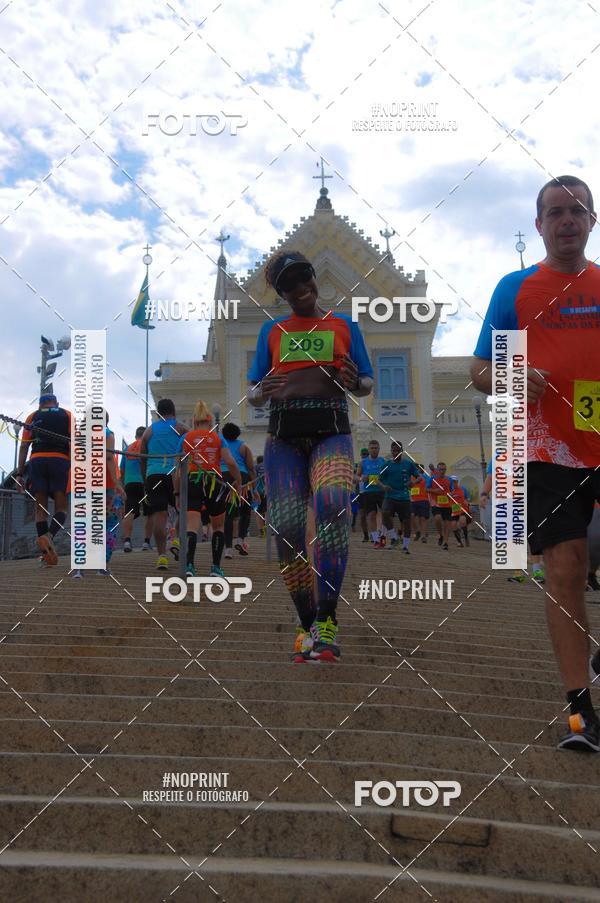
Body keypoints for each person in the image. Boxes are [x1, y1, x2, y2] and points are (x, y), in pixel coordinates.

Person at [471, 174, 600, 752]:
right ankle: (580, 711)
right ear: (539, 224)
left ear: (591, 221)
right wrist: (511, 375)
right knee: (565, 568)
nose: (567, 220)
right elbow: (479, 370)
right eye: (555, 212)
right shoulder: (516, 290)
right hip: (547, 447)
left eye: (577, 210)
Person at [247, 250, 373, 662]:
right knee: (286, 527)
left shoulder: (345, 325)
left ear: (314, 277)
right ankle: (306, 623)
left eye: (305, 278)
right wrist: (260, 392)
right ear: (281, 293)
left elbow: (366, 382)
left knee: (334, 504)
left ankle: (327, 618)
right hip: (283, 436)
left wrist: (354, 381)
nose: (301, 289)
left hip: (331, 431)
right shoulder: (272, 331)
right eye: (289, 285)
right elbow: (253, 391)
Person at [174, 400, 241, 578]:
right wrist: (239, 481)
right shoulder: (218, 438)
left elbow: (178, 470)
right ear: (210, 420)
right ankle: (215, 568)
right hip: (215, 482)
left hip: (192, 481)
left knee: (191, 526)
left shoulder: (185, 438)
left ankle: (189, 566)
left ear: (194, 420)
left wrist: (177, 493)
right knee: (218, 526)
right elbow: (230, 463)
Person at [15, 393, 71, 567]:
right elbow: (75, 443)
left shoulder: (32, 416)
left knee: (40, 510)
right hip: (60, 460)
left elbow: (24, 446)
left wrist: (19, 474)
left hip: (37, 460)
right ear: (57, 403)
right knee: (62, 508)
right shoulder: (67, 414)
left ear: (40, 405)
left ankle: (45, 555)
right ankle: (49, 536)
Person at [72, 412, 125, 578]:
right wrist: (117, 484)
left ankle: (79, 568)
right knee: (108, 524)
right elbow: (108, 458)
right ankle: (102, 566)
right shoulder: (107, 434)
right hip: (105, 485)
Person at [140, 399, 187, 570]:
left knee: (159, 515)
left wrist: (145, 479)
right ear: (173, 412)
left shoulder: (149, 431)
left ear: (158, 413)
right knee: (183, 510)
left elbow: (142, 457)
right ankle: (176, 539)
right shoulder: (181, 428)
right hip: (175, 474)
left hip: (154, 474)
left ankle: (162, 556)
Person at [220, 422, 259, 558]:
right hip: (243, 477)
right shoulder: (244, 447)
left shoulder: (220, 446)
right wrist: (255, 489)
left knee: (228, 514)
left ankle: (228, 549)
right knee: (245, 511)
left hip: (224, 477)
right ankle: (240, 540)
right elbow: (251, 469)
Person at [378, 441, 421, 553]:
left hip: (404, 497)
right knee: (385, 513)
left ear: (402, 451)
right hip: (390, 496)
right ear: (391, 451)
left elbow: (419, 477)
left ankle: (405, 546)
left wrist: (413, 482)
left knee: (407, 521)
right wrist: (383, 487)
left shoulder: (408, 464)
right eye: (394, 451)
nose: (395, 453)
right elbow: (378, 480)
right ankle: (394, 537)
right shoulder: (386, 465)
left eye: (398, 451)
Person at [122, 426, 154, 552]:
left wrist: (123, 485)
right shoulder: (148, 447)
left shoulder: (127, 449)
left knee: (129, 512)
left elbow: (122, 469)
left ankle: (127, 541)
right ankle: (146, 542)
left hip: (130, 483)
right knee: (149, 513)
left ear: (136, 436)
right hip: (145, 482)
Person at [356, 440, 387, 547]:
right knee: (371, 515)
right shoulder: (363, 463)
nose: (374, 450)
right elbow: (356, 477)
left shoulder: (383, 461)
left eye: (376, 448)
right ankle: (375, 539)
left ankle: (383, 536)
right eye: (372, 448)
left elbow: (388, 475)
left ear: (379, 449)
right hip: (368, 492)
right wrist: (361, 478)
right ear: (369, 449)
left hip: (381, 491)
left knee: (385, 514)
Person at [426, 463, 455, 550]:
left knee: (447, 524)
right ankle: (440, 534)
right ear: (437, 470)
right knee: (437, 518)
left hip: (447, 504)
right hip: (436, 503)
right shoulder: (432, 479)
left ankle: (446, 542)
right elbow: (426, 489)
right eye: (441, 469)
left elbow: (453, 490)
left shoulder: (449, 479)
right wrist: (435, 490)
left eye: (444, 469)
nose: (442, 471)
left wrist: (451, 494)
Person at [448, 477, 470, 547]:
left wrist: (466, 501)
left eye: (454, 482)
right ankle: (459, 542)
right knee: (453, 525)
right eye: (452, 482)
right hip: (454, 510)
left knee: (462, 521)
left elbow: (468, 498)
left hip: (462, 509)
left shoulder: (463, 489)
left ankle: (466, 538)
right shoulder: (449, 491)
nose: (453, 483)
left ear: (457, 482)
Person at [410, 467, 430, 542]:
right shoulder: (410, 477)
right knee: (411, 516)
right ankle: (417, 532)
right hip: (413, 500)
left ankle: (423, 536)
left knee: (423, 518)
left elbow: (429, 484)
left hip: (423, 499)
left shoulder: (425, 476)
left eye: (418, 469)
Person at [356, 447, 370, 541]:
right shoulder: (359, 465)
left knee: (370, 516)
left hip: (370, 493)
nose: (364, 456)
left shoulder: (371, 464)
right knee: (362, 516)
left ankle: (372, 534)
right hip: (361, 493)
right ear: (361, 455)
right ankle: (366, 535)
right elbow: (356, 479)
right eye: (363, 454)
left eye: (366, 454)